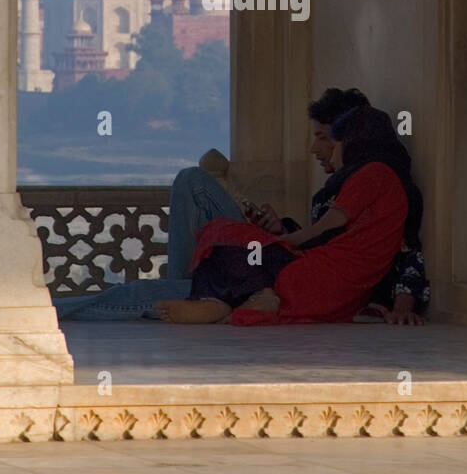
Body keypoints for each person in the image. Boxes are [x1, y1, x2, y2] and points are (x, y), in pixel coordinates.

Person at [54, 86, 372, 322]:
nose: (315, 148)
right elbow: (324, 249)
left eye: (324, 138)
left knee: (133, 295)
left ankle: (51, 313)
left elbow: (377, 256)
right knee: (192, 182)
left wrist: (399, 300)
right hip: (270, 265)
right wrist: (282, 229)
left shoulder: (373, 182)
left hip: (271, 284)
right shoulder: (341, 184)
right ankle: (194, 287)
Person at [155, 104, 416, 325]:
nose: (327, 152)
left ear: (353, 144)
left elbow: (328, 226)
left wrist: (284, 242)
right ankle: (238, 299)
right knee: (238, 246)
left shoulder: (374, 173)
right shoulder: (389, 184)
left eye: (333, 144)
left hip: (318, 277)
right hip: (336, 293)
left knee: (227, 237)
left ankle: (220, 300)